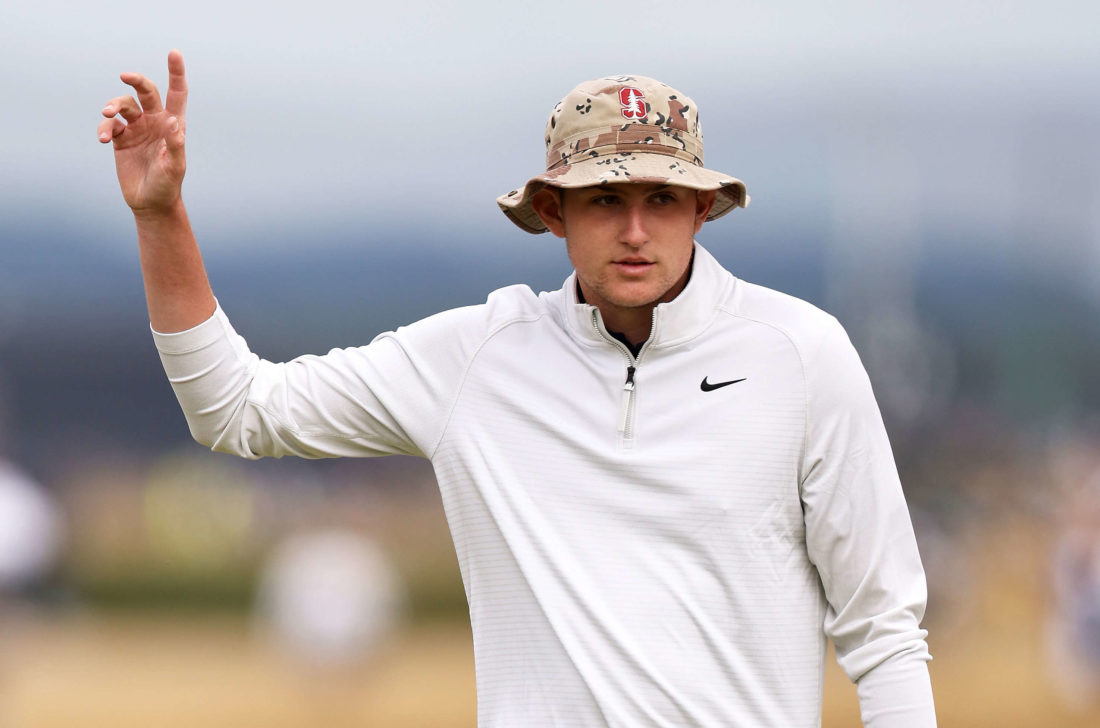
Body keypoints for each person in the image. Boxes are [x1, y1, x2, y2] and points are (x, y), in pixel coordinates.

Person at [98, 51, 937, 727]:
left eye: (663, 198)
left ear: (702, 211)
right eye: (606, 199)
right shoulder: (478, 357)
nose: (637, 229)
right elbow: (238, 410)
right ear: (552, 213)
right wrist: (160, 217)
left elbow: (884, 630)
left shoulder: (801, 353)